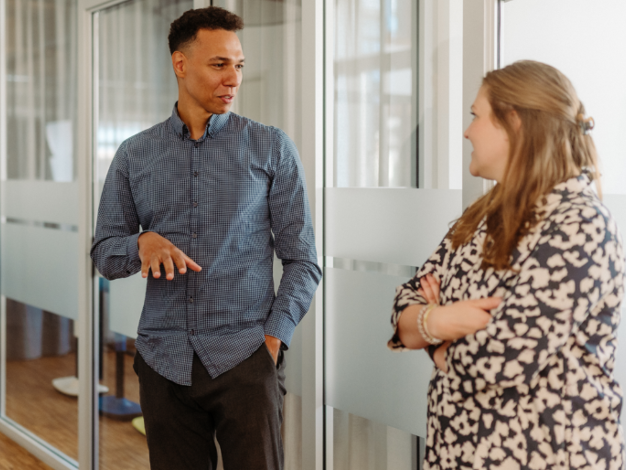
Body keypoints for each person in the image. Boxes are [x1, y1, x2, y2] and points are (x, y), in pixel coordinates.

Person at [91, 7, 322, 470]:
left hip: (246, 358)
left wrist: (273, 340)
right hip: (163, 361)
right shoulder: (135, 154)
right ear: (180, 64)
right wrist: (141, 244)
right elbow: (105, 253)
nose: (233, 79)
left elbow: (303, 261)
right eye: (219, 65)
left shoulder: (271, 147)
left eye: (239, 65)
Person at [389, 60, 625, 469]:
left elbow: (504, 355)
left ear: (513, 122)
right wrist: (442, 320)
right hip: (458, 453)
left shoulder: (580, 223)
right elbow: (404, 308)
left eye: (475, 116)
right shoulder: (480, 216)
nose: (467, 131)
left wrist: (435, 339)